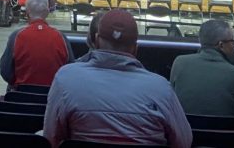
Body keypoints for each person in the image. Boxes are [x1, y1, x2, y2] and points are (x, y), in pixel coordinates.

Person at [44, 9, 191, 148]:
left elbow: (51, 138)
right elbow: (184, 143)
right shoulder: (161, 88)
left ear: (96, 40)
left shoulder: (66, 78)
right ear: (135, 47)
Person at [169, 19, 234, 117]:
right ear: (221, 45)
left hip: (184, 131)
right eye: (232, 41)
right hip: (223, 131)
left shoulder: (180, 62)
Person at [0, 0, 73, 89]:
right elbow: (70, 70)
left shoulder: (16, 36)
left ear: (26, 12)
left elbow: (6, 72)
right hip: (51, 98)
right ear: (47, 12)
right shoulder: (61, 37)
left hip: (20, 98)